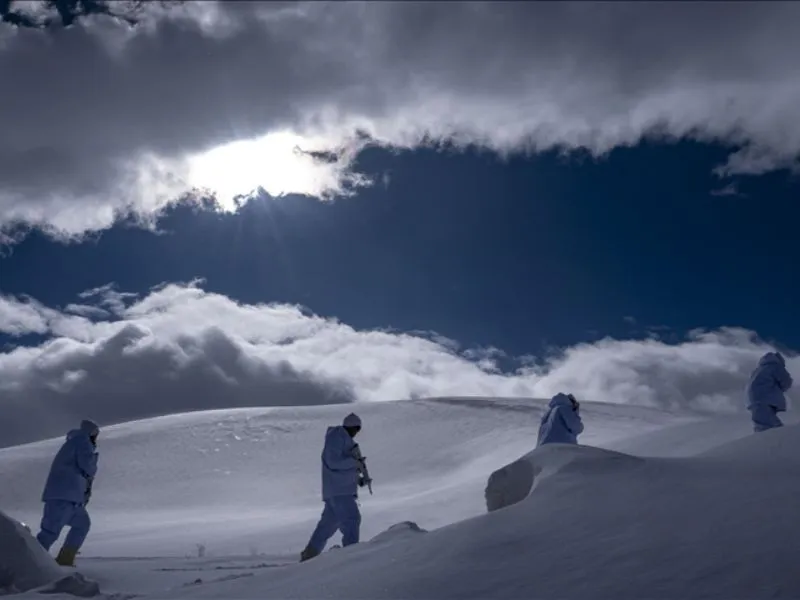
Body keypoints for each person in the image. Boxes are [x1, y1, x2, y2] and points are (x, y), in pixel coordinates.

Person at [300, 413, 369, 562]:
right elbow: (333, 462)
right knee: (352, 519)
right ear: (353, 427)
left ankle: (309, 556)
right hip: (340, 491)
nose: (357, 433)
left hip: (339, 491)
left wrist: (359, 479)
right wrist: (354, 463)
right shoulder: (336, 438)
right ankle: (350, 557)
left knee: (326, 527)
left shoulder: (344, 441)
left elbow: (344, 465)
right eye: (357, 429)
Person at [36, 419, 99, 567]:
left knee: (82, 525)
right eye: (95, 434)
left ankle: (65, 559)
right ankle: (32, 563)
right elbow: (88, 467)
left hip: (71, 498)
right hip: (63, 497)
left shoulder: (74, 443)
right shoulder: (82, 442)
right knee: (50, 532)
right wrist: (94, 461)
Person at [746, 351, 793, 433]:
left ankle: (763, 443)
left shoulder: (758, 370)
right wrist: (781, 389)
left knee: (761, 425)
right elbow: (786, 381)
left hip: (753, 401)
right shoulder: (775, 367)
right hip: (765, 399)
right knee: (772, 427)